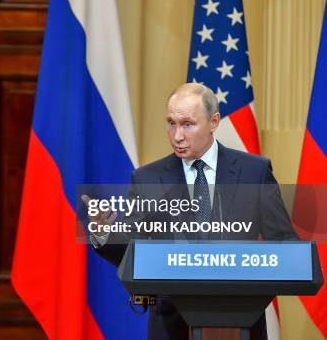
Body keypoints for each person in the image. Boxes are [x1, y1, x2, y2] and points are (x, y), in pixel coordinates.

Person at [89, 83, 298, 340]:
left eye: (187, 124)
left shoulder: (253, 172)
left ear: (213, 122)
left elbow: (285, 244)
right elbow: (132, 250)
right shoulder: (149, 179)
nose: (177, 135)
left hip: (241, 318)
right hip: (171, 324)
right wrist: (105, 234)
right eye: (171, 123)